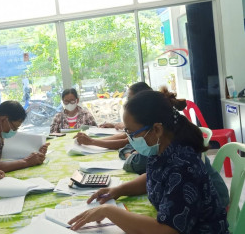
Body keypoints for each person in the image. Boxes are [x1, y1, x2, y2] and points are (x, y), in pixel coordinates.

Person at [68, 89, 229, 233]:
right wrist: (118, 190)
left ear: (157, 129)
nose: (129, 138)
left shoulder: (183, 165)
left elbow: (167, 231)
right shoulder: (162, 149)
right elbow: (154, 177)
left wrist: (108, 211)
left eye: (131, 133)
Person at [74, 82, 152, 174]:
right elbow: (126, 138)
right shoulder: (144, 122)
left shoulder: (149, 128)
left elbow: (127, 145)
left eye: (129, 99)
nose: (127, 102)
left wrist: (92, 142)